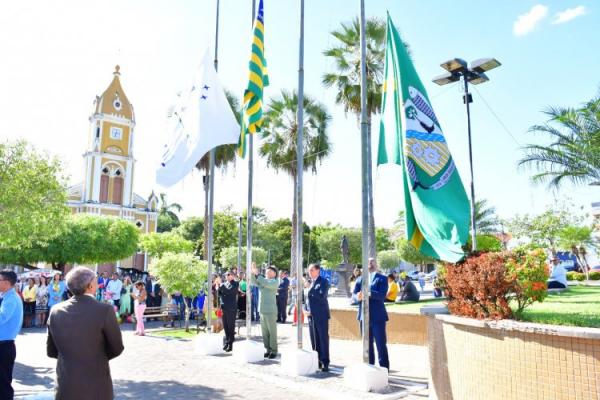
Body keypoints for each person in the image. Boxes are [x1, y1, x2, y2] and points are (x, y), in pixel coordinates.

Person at [47, 267, 124, 399]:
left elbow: (51, 350)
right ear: (90, 286)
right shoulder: (104, 310)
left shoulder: (55, 310)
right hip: (96, 384)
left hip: (66, 384)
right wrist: (96, 357)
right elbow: (117, 347)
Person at [353, 258, 390, 370]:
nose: (370, 263)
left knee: (380, 344)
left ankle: (384, 369)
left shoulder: (382, 278)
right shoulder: (359, 279)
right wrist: (357, 297)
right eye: (368, 261)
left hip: (377, 317)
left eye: (373, 261)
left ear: (376, 264)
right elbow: (353, 295)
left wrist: (368, 293)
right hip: (363, 317)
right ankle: (370, 367)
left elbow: (382, 295)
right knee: (367, 345)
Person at [0, 270, 24, 399]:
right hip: (4, 345)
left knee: (3, 383)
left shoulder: (11, 298)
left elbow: (2, 317)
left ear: (7, 283)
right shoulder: (6, 296)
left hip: (4, 346)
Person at [305, 263, 331, 372]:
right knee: (314, 339)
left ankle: (325, 361)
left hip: (321, 315)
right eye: (309, 270)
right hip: (311, 316)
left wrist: (309, 289)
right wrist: (305, 309)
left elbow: (321, 295)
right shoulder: (310, 283)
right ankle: (317, 360)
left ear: (318, 270)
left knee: (323, 338)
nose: (310, 272)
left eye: (312, 270)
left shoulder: (323, 281)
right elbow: (306, 300)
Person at [251, 264, 279, 359]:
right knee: (265, 333)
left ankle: (274, 350)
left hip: (270, 311)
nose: (267, 272)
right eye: (267, 271)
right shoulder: (263, 281)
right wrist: (252, 272)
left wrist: (258, 274)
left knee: (272, 332)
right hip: (262, 310)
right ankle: (267, 349)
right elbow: (253, 282)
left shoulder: (274, 281)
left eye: (269, 271)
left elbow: (264, 282)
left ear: (274, 274)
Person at [217, 270, 239, 352]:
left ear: (232, 276)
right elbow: (220, 293)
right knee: (225, 326)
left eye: (228, 274)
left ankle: (231, 343)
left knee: (231, 326)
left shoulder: (235, 283)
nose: (226, 276)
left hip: (231, 308)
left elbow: (229, 291)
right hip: (224, 307)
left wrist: (221, 285)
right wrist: (218, 286)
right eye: (226, 274)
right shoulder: (224, 284)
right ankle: (227, 341)